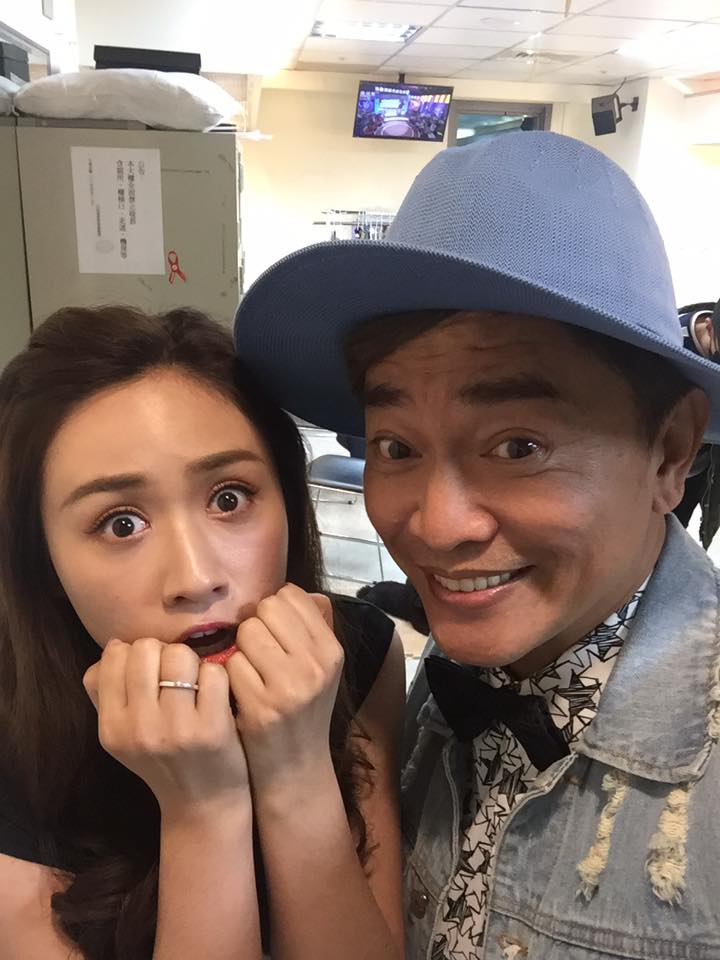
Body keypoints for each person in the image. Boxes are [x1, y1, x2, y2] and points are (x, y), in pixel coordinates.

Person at [233, 132, 720, 958]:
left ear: (669, 452)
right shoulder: (455, 679)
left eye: (518, 446)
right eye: (396, 446)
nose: (437, 525)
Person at [0, 305, 405, 960]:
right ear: (43, 564)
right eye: (122, 524)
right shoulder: (13, 740)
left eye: (228, 497)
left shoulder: (357, 650)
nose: (196, 578)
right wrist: (203, 812)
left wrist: (296, 770)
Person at [675, 299, 720, 546]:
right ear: (708, 326)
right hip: (654, 458)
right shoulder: (667, 343)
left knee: (674, 525)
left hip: (702, 467)